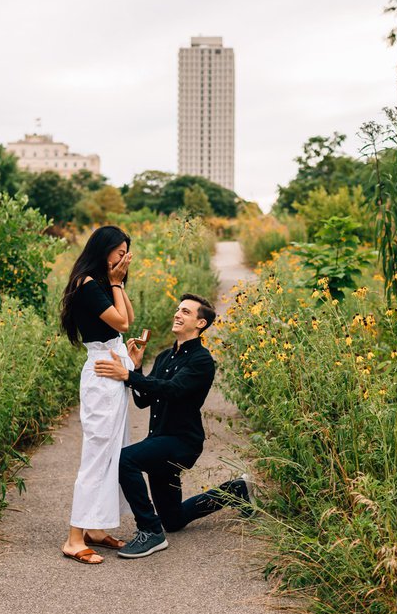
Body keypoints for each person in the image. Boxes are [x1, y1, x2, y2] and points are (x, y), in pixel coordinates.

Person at [94, 293, 253, 559]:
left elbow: (173, 390)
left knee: (124, 461)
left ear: (200, 324)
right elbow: (144, 400)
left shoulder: (202, 361)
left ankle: (149, 531)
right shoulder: (165, 357)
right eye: (178, 310)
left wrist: (128, 376)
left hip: (181, 443)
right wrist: (137, 367)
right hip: (159, 440)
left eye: (186, 312)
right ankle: (236, 490)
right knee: (174, 520)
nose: (178, 314)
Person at [58, 225, 136, 565]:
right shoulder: (87, 284)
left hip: (114, 368)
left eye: (126, 254)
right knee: (97, 454)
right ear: (103, 251)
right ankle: (75, 537)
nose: (123, 259)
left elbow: (128, 318)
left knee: (113, 453)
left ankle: (96, 528)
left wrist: (119, 282)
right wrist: (117, 283)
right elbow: (121, 324)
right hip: (101, 372)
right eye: (119, 253)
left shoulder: (103, 282)